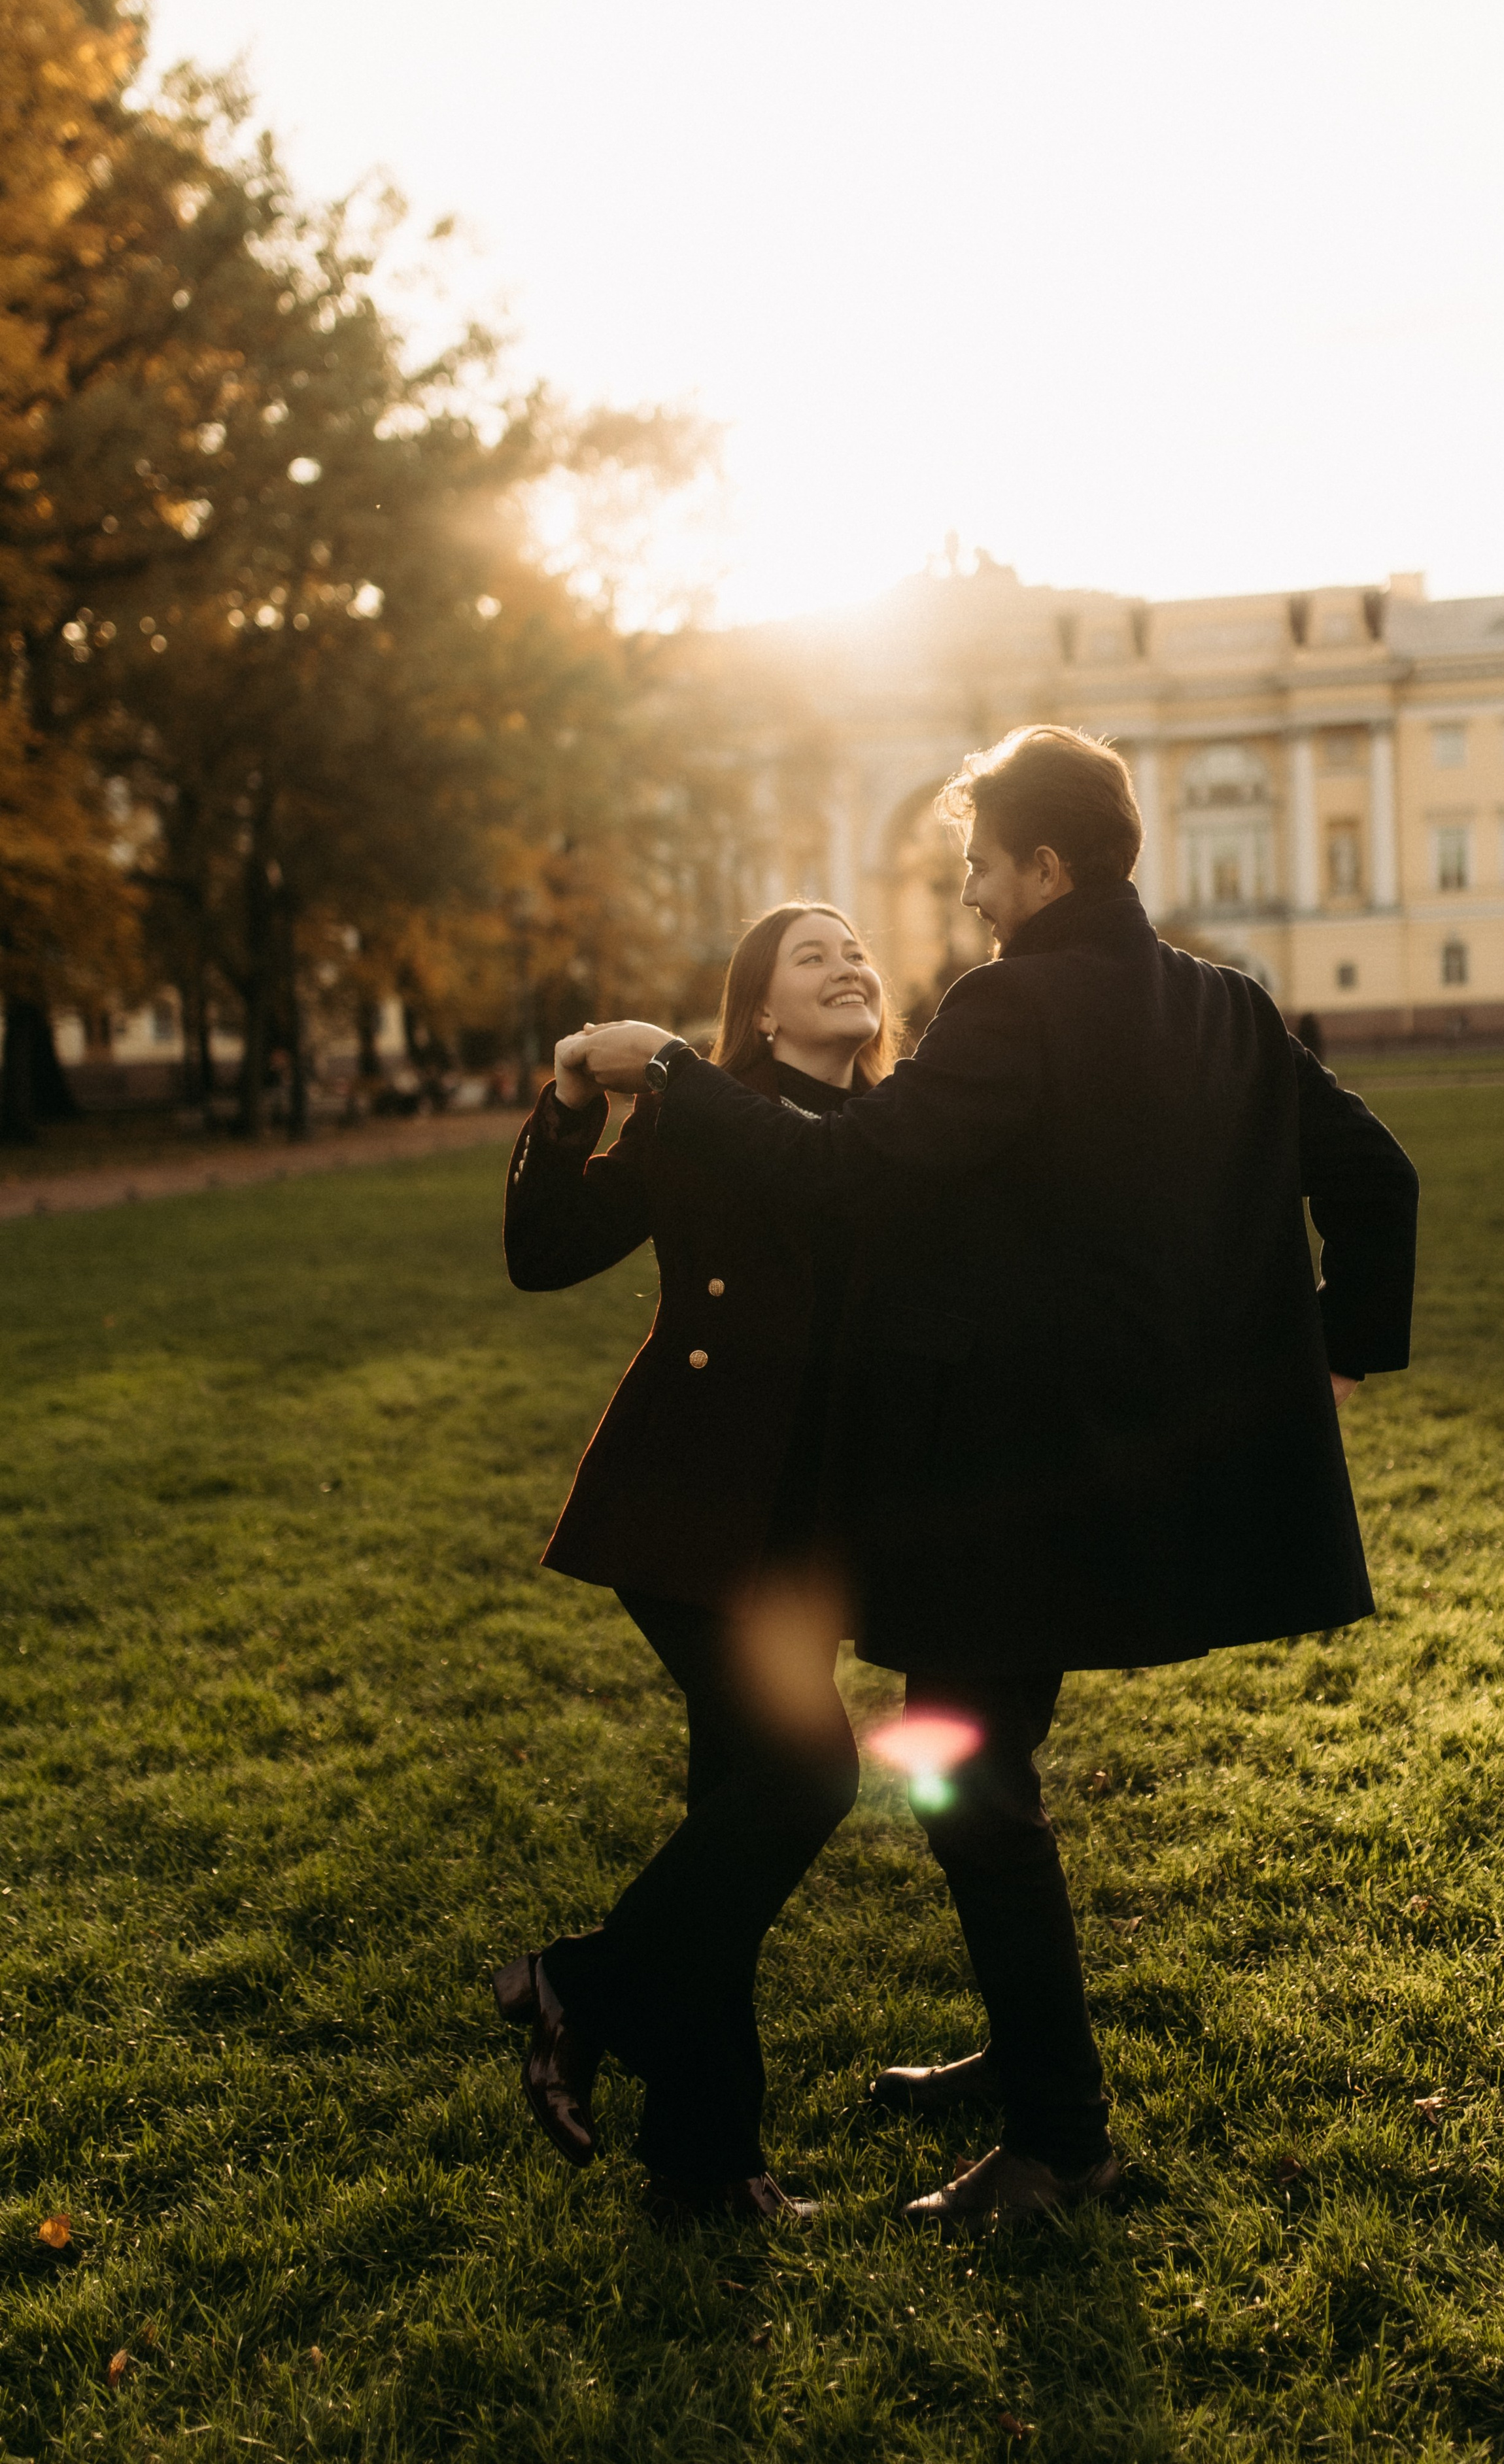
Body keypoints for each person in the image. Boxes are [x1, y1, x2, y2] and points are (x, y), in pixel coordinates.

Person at [563, 724, 1421, 2231]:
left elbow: (848, 1167)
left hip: (1009, 1485)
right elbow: (1378, 1180)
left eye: (977, 868)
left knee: (966, 1789)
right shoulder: (1226, 1006)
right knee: (981, 1775)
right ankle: (1028, 2063)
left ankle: (1058, 2145)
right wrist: (1339, 1347)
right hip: (1131, 1479)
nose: (965, 899)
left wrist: (683, 1080)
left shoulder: (1010, 1004)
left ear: (1043, 865)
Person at [494, 902, 898, 2225]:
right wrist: (567, 1104)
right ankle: (581, 1988)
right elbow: (546, 1255)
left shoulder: (897, 1128)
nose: (846, 962)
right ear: (762, 1011)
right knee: (806, 1777)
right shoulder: (699, 1107)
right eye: (809, 954)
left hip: (808, 1530)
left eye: (856, 951)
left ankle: (702, 2165)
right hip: (682, 1509)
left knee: (730, 1812)